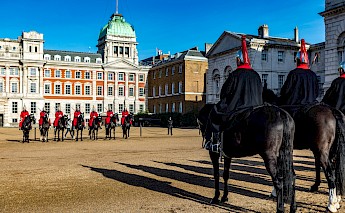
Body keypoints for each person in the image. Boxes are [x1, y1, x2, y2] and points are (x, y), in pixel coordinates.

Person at [204, 35, 263, 150]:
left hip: (239, 108)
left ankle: (214, 142)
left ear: (238, 60)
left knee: (214, 112)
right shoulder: (256, 75)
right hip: (257, 108)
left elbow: (224, 93)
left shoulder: (235, 75)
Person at [278, 39, 319, 107]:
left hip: (295, 106)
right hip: (312, 105)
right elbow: (316, 92)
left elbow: (285, 91)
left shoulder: (293, 74)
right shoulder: (313, 74)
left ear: (297, 61)